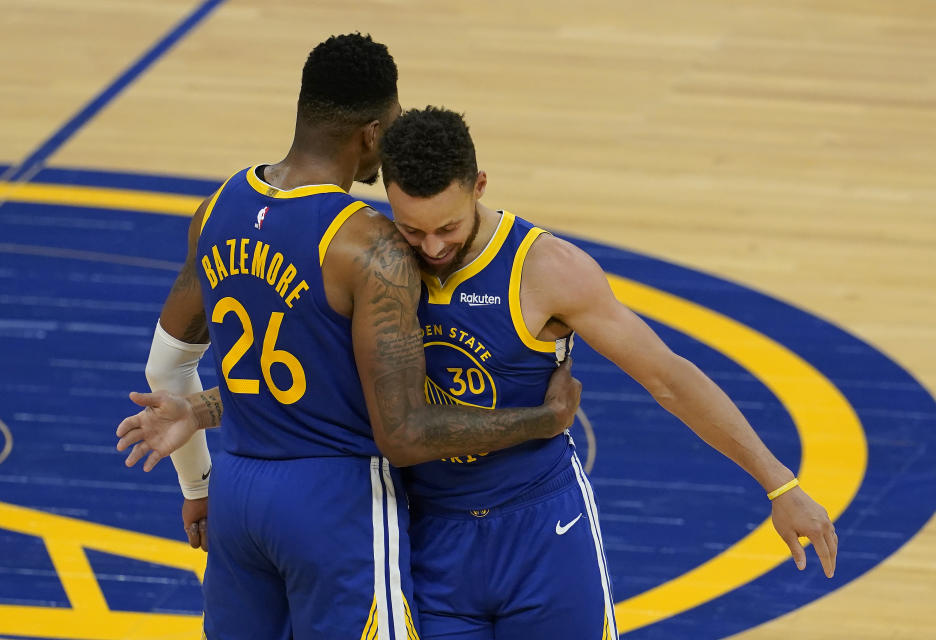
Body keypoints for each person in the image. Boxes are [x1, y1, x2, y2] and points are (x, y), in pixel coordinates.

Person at [120, 106, 838, 638]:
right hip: (431, 534)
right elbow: (306, 374)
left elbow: (669, 378)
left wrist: (780, 482)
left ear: (480, 186)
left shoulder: (546, 270)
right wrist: (208, 408)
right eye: (413, 227)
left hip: (540, 529)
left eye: (448, 228)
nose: (431, 246)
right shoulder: (376, 264)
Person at [126, 35, 582, 640]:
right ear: (371, 134)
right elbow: (405, 433)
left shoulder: (216, 209)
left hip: (237, 494)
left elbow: (165, 371)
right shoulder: (368, 243)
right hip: (333, 504)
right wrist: (543, 419)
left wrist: (198, 485)